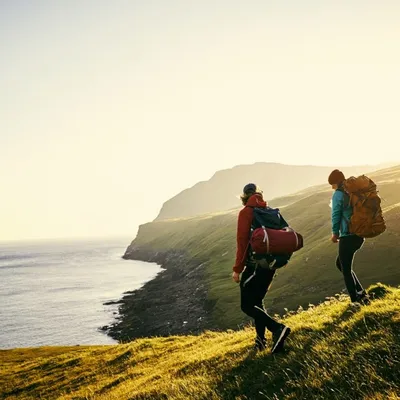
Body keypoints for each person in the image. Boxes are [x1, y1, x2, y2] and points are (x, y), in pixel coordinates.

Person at [232, 183, 291, 353]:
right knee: (257, 301)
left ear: (244, 197)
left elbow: (242, 242)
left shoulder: (246, 213)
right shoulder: (270, 210)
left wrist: (237, 269)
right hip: (271, 265)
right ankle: (260, 342)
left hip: (254, 266)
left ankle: (277, 328)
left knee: (247, 305)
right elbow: (286, 233)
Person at [328, 169, 370, 305]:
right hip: (359, 234)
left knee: (345, 268)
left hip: (348, 236)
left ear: (336, 182)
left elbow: (336, 215)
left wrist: (335, 233)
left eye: (332, 184)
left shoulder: (338, 195)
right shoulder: (352, 192)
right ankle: (361, 292)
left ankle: (355, 301)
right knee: (340, 264)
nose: (332, 187)